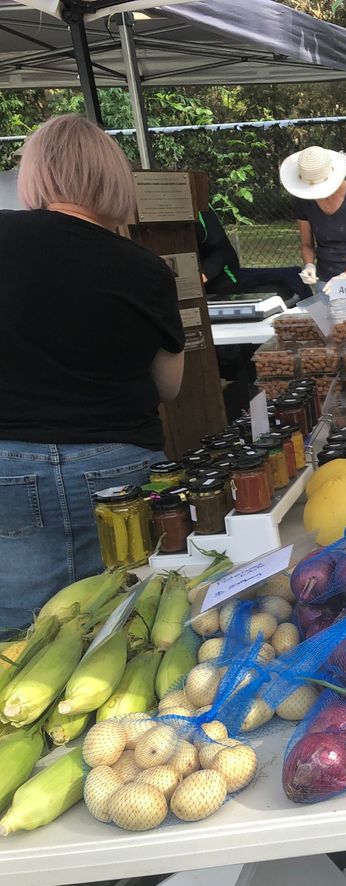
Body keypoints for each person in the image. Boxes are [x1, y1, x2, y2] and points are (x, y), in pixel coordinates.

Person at [0, 115, 185, 631]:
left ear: (34, 174)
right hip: (117, 467)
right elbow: (169, 386)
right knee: (133, 629)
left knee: (20, 643)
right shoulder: (145, 268)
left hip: (7, 467)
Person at [279, 146, 346, 289]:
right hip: (326, 279)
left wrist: (345, 276)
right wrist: (309, 265)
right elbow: (306, 244)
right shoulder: (302, 200)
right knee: (325, 312)